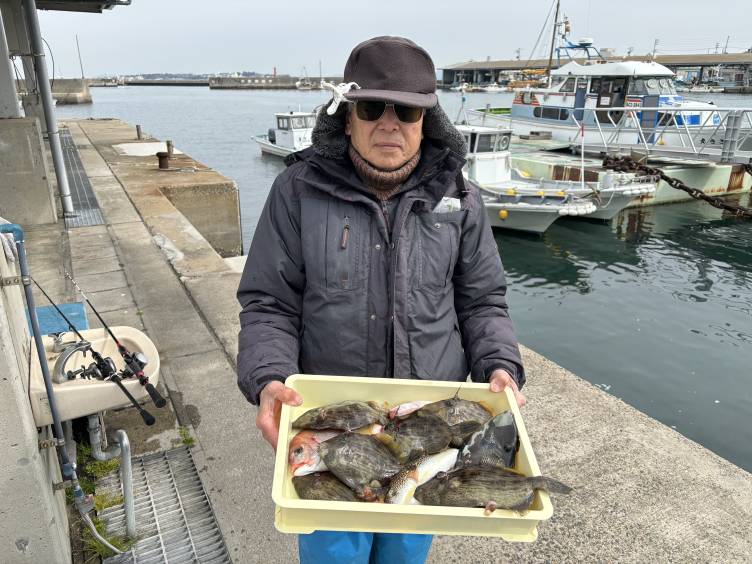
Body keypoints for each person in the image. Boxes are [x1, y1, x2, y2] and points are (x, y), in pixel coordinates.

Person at [237, 36, 526, 564]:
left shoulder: (461, 198)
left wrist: (499, 364)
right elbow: (269, 302)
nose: (389, 124)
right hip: (332, 425)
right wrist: (269, 376)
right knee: (334, 555)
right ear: (348, 117)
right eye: (372, 108)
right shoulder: (296, 190)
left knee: (405, 552)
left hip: (428, 427)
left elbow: (483, 301)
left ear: (426, 121)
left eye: (407, 111)